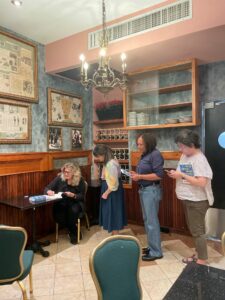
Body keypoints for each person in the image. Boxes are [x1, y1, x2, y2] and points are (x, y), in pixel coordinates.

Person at [167, 129, 214, 265]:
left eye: (182, 146)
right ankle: (199, 254)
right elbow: (184, 173)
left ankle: (202, 260)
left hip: (197, 200)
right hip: (188, 198)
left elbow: (202, 182)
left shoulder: (200, 159)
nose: (180, 149)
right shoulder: (186, 156)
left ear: (192, 145)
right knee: (193, 229)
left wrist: (181, 175)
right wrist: (176, 173)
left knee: (197, 231)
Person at [130, 133, 164, 261]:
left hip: (151, 191)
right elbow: (146, 172)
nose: (138, 146)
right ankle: (152, 246)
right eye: (137, 144)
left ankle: (156, 252)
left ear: (148, 143)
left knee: (152, 222)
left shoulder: (155, 154)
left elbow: (159, 175)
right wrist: (136, 174)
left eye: (140, 144)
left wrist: (140, 177)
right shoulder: (145, 154)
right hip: (144, 190)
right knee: (147, 220)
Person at [44, 162, 85, 244]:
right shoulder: (60, 178)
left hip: (75, 202)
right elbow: (47, 188)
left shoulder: (80, 180)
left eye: (68, 172)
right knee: (59, 213)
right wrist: (48, 191)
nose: (65, 174)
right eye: (64, 172)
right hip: (62, 202)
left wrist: (73, 195)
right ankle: (74, 229)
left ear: (74, 172)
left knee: (72, 211)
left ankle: (73, 233)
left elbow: (81, 196)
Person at [93, 144, 127, 235]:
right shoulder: (111, 161)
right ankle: (114, 233)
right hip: (111, 189)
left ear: (103, 154)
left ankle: (116, 236)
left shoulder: (110, 164)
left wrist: (106, 193)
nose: (98, 158)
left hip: (111, 191)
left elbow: (114, 184)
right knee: (113, 212)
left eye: (98, 156)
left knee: (113, 212)